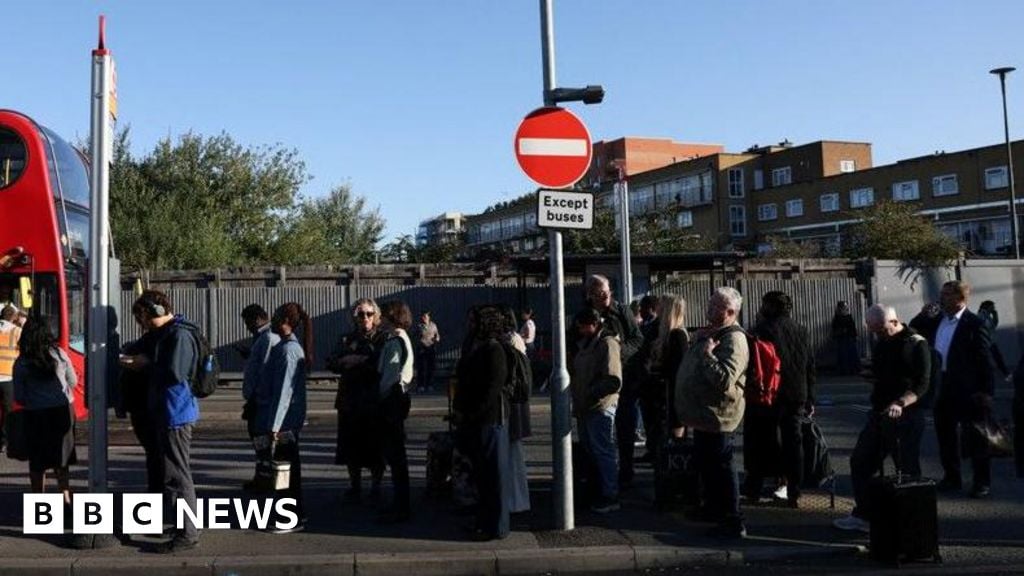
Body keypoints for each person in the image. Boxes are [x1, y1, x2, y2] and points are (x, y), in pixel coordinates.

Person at [833, 305, 931, 533]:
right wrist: (870, 374)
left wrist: (901, 402)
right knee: (861, 462)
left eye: (881, 329)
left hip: (906, 415)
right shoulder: (882, 343)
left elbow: (923, 383)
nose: (878, 334)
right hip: (879, 413)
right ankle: (865, 515)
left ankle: (912, 524)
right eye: (873, 330)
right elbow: (882, 372)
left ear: (894, 322)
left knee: (906, 471)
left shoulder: (916, 343)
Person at [123, 290, 201, 553]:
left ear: (152, 311)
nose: (141, 323)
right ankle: (181, 526)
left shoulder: (178, 335)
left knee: (178, 475)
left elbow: (175, 373)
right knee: (171, 473)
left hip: (176, 413)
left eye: (141, 316)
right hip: (168, 412)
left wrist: (144, 364)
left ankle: (187, 534)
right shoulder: (167, 334)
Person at [675, 286, 748, 539]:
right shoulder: (714, 332)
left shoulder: (734, 339)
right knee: (708, 466)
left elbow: (725, 379)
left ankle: (733, 518)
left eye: (715, 305)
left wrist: (707, 355)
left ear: (730, 311)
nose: (708, 308)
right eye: (710, 302)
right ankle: (713, 508)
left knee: (722, 467)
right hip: (704, 415)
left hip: (720, 416)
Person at [912, 281, 996, 498]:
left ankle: (981, 482)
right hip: (942, 385)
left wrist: (987, 392)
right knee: (945, 435)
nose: (942, 298)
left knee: (976, 436)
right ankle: (952, 476)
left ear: (961, 298)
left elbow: (985, 360)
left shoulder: (974, 324)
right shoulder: (937, 321)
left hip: (969, 389)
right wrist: (923, 315)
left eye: (947, 295)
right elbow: (913, 330)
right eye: (942, 294)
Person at [744, 291, 816, 508]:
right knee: (793, 442)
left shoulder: (760, 331)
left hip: (768, 393)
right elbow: (809, 366)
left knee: (760, 440)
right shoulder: (801, 330)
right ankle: (794, 490)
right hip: (796, 393)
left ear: (771, 307)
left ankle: (754, 488)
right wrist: (811, 397)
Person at [579, 275, 644, 489]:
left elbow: (638, 339)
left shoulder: (622, 311)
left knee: (625, 427)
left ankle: (625, 470)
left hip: (623, 377)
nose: (605, 297)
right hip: (596, 379)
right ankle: (598, 476)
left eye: (608, 292)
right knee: (596, 434)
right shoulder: (586, 315)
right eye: (600, 294)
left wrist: (617, 352)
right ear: (591, 295)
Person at [453, 305, 511, 540]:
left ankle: (495, 527)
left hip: (489, 419)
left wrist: (472, 413)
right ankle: (483, 522)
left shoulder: (495, 350)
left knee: (493, 476)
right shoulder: (476, 345)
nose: (470, 325)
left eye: (474, 321)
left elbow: (492, 388)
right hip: (475, 419)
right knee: (481, 476)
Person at [256, 302, 312, 534]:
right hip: (286, 420)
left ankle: (289, 517)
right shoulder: (289, 347)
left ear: (284, 321)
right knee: (288, 469)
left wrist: (274, 426)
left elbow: (283, 393)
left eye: (276, 316)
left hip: (285, 421)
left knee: (285, 472)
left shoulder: (289, 351)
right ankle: (294, 513)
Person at [326, 298, 385, 502]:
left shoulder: (382, 338)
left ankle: (376, 486)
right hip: (350, 399)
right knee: (350, 446)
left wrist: (357, 360)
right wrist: (345, 362)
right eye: (361, 314)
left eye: (369, 314)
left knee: (375, 446)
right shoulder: (347, 338)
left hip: (373, 400)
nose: (365, 318)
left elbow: (381, 364)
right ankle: (355, 485)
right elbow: (332, 361)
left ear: (376, 316)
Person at [13, 319, 77, 505]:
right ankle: (66, 498)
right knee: (62, 458)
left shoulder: (22, 362)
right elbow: (72, 382)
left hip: (36, 414)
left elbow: (19, 395)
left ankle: (38, 502)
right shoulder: (60, 354)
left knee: (38, 461)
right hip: (62, 411)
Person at [571, 307, 623, 513]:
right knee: (592, 450)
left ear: (593, 324)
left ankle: (610, 493)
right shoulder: (587, 344)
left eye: (583, 327)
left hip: (599, 405)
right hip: (587, 406)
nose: (580, 331)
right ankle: (597, 488)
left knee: (603, 451)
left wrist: (592, 392)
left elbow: (613, 379)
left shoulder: (607, 344)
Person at [375, 300, 415, 523]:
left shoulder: (395, 341)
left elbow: (390, 375)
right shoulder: (400, 339)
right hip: (398, 398)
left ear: (392, 317)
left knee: (396, 455)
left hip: (392, 399)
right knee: (396, 455)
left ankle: (401, 506)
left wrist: (380, 397)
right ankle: (400, 504)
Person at [118, 327, 164, 493]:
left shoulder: (149, 342)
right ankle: (158, 488)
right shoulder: (156, 340)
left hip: (143, 405)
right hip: (145, 405)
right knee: (155, 450)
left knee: (153, 450)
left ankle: (157, 489)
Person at [642, 294, 688, 461]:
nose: (658, 309)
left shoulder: (677, 336)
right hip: (659, 395)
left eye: (661, 306)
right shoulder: (660, 333)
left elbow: (677, 371)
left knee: (673, 443)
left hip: (670, 396)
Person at [240, 304, 280, 491]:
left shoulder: (268, 338)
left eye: (247, 322)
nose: (247, 327)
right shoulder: (262, 338)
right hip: (258, 400)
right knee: (259, 441)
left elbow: (265, 369)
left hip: (262, 402)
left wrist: (256, 397)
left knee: (262, 441)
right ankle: (262, 476)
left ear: (256, 319)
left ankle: (266, 478)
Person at [0, 305, 22, 452]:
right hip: (8, 377)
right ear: (13, 317)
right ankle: (4, 441)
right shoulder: (16, 331)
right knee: (8, 412)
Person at [977, 301, 1011, 381]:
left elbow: (993, 326)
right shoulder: (982, 316)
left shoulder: (987, 315)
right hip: (985, 342)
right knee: (993, 359)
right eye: (992, 307)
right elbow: (985, 327)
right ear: (987, 307)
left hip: (990, 342)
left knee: (997, 358)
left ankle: (1005, 373)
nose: (993, 308)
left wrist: (995, 315)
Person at [414, 311, 440, 392]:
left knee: (430, 367)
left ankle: (429, 384)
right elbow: (414, 336)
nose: (423, 318)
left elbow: (437, 335)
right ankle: (420, 385)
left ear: (429, 317)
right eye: (422, 317)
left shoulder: (433, 326)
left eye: (425, 317)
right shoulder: (419, 326)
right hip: (421, 349)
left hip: (431, 348)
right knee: (421, 368)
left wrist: (437, 339)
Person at [831, 301, 858, 375]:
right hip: (842, 340)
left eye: (845, 307)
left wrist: (854, 336)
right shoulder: (837, 318)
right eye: (843, 307)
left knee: (851, 356)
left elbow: (853, 328)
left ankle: (852, 370)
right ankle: (844, 371)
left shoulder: (849, 317)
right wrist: (841, 331)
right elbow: (834, 330)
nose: (845, 309)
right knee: (843, 356)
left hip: (849, 339)